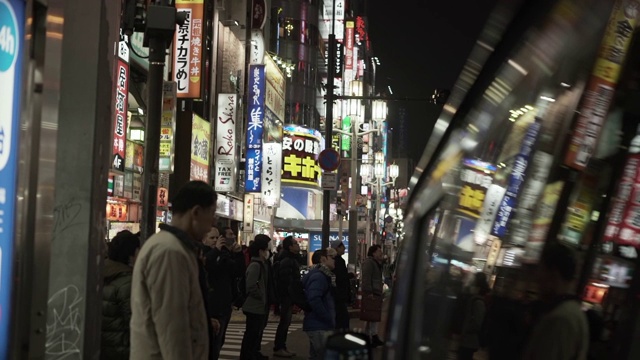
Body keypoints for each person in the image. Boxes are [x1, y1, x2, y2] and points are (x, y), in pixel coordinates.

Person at [130, 180, 216, 359]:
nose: (211, 224)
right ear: (196, 212)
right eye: (212, 213)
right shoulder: (169, 251)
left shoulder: (177, 248)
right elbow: (173, 328)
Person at [522, 242, 589, 360]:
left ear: (553, 274)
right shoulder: (573, 312)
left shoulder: (561, 318)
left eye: (541, 270)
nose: (537, 278)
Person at [204, 227, 246, 360]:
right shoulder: (202, 253)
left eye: (217, 237)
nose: (216, 241)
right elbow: (207, 265)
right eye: (212, 238)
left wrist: (239, 254)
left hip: (224, 304)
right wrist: (216, 250)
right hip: (210, 306)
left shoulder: (224, 254)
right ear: (204, 239)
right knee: (211, 344)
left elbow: (237, 271)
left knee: (219, 341)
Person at [100, 230, 140, 359]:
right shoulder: (127, 282)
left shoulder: (101, 274)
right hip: (122, 351)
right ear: (131, 255)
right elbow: (134, 322)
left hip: (103, 348)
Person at [240, 234, 273, 360]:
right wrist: (261, 295)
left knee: (255, 334)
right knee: (251, 334)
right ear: (260, 251)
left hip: (259, 306)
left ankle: (252, 354)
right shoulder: (255, 265)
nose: (267, 252)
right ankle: (247, 356)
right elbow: (251, 286)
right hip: (253, 306)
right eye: (265, 250)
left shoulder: (262, 264)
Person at [302, 248, 337, 360]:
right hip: (319, 325)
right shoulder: (319, 276)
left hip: (319, 324)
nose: (334, 260)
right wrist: (327, 316)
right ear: (323, 259)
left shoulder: (323, 275)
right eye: (332, 257)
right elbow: (314, 299)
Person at [273, 236, 302, 357]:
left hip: (287, 296)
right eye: (295, 243)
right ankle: (279, 347)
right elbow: (286, 281)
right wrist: (292, 295)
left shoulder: (289, 258)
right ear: (290, 247)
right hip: (286, 296)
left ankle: (281, 346)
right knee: (285, 322)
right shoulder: (287, 260)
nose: (298, 245)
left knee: (286, 322)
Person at [457, 272, 490, 360]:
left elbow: (477, 323)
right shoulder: (475, 299)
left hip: (469, 340)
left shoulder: (478, 301)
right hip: (467, 340)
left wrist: (466, 329)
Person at [361, 244, 384, 347]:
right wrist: (369, 292)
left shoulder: (376, 263)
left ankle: (370, 336)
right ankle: (370, 337)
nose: (381, 253)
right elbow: (366, 278)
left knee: (372, 315)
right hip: (372, 292)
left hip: (376, 292)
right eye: (379, 251)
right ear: (373, 253)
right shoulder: (369, 263)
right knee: (371, 314)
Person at [330, 239, 351, 330]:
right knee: (342, 318)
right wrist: (349, 275)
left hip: (337, 293)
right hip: (339, 294)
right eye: (342, 247)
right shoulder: (339, 261)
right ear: (337, 248)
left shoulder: (336, 260)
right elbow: (341, 276)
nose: (344, 249)